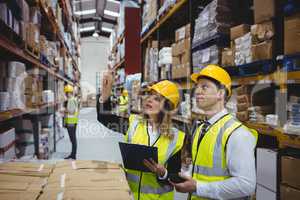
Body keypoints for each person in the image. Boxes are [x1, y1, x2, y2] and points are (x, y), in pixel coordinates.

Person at [170, 65, 258, 200]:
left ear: (220, 93)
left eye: (204, 87)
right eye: (197, 87)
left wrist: (198, 187)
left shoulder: (237, 134)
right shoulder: (201, 128)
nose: (197, 91)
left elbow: (246, 185)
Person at [97, 71, 186, 200]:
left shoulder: (176, 138)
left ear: (167, 107)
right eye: (149, 95)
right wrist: (104, 95)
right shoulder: (134, 123)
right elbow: (104, 118)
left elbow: (176, 178)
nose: (149, 99)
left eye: (156, 98)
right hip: (130, 196)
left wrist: (163, 173)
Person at [64, 84, 79, 160]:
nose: (66, 94)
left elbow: (72, 111)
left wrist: (64, 110)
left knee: (73, 139)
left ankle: (73, 155)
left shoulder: (71, 100)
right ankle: (72, 154)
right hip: (72, 122)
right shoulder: (72, 99)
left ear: (68, 92)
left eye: (66, 93)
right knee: (72, 139)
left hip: (71, 123)